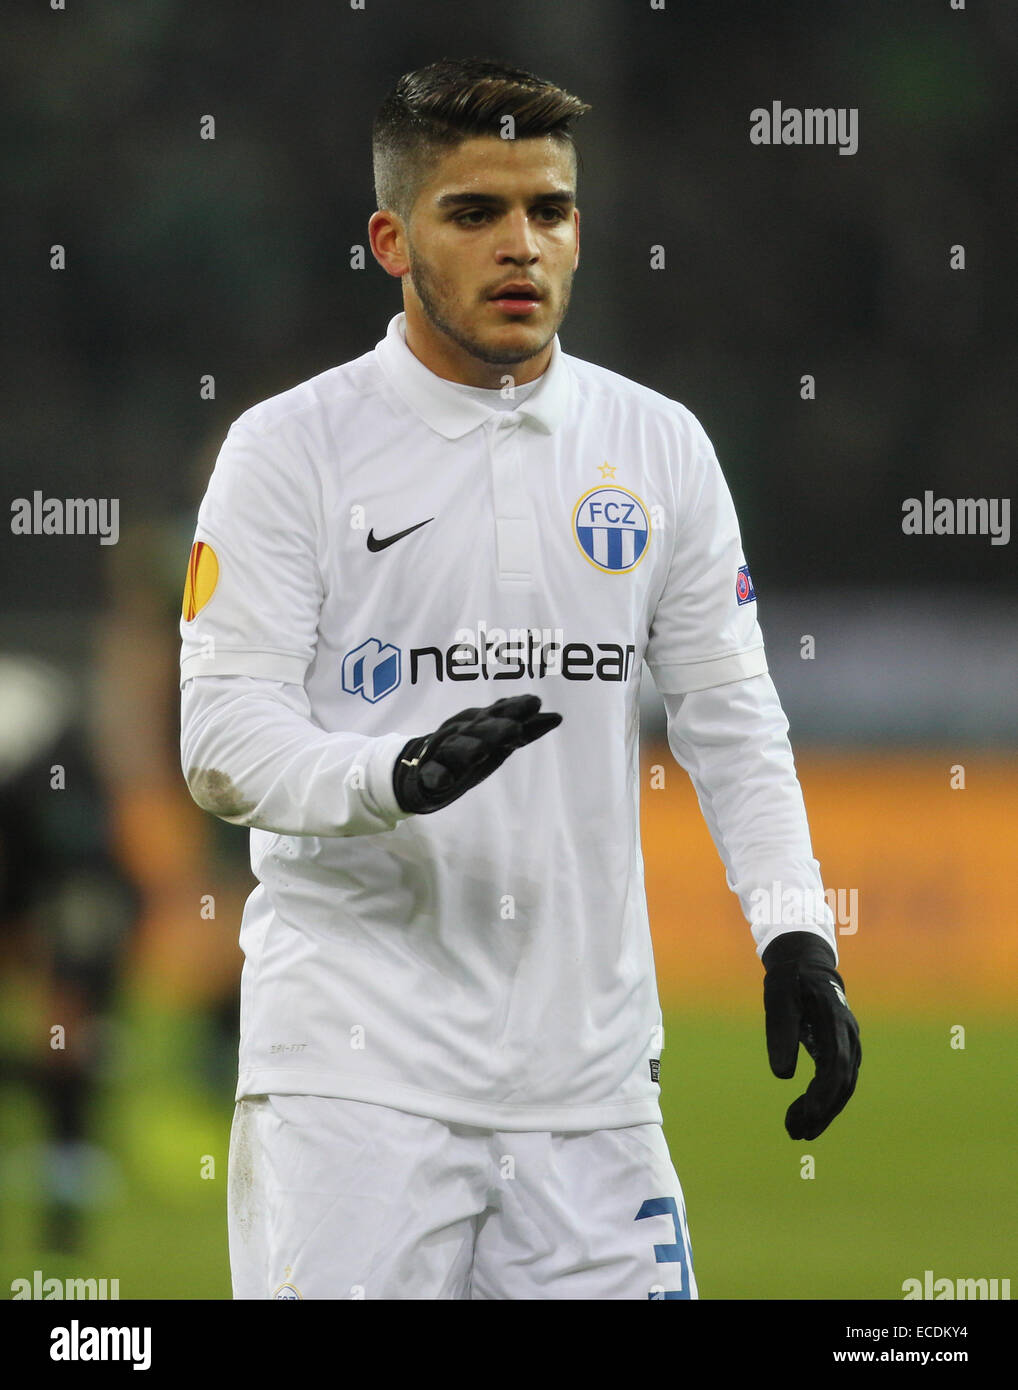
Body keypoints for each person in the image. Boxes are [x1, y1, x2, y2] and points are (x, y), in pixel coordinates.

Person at [179, 57, 860, 1301]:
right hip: (353, 1086)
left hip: (592, 1093)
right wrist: (389, 772)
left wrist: (795, 928)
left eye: (548, 210)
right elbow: (221, 736)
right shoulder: (290, 450)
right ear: (391, 238)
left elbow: (730, 719)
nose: (521, 245)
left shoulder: (658, 446)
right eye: (475, 212)